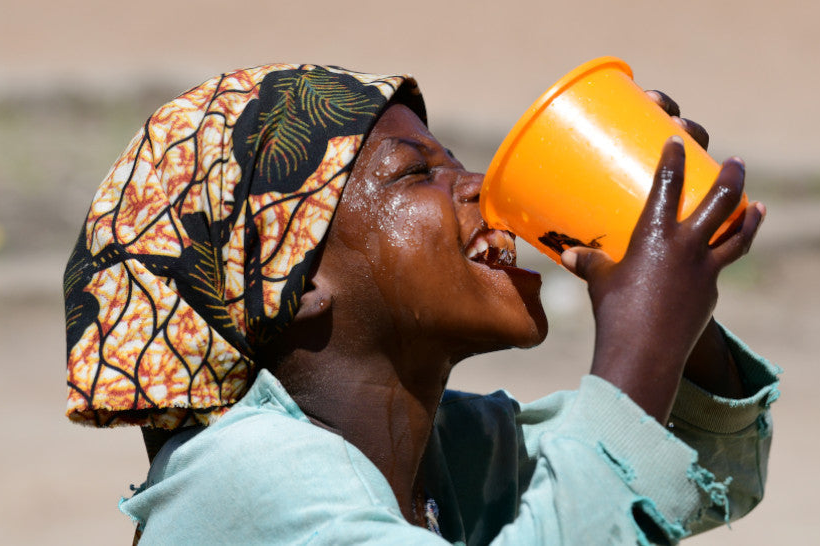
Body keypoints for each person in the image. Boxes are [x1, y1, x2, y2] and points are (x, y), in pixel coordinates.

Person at [64, 63, 778, 544]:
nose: (477, 188)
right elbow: (613, 464)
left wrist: (652, 256)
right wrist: (639, 340)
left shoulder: (452, 455)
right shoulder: (247, 477)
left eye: (456, 163)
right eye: (416, 175)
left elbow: (706, 465)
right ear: (297, 280)